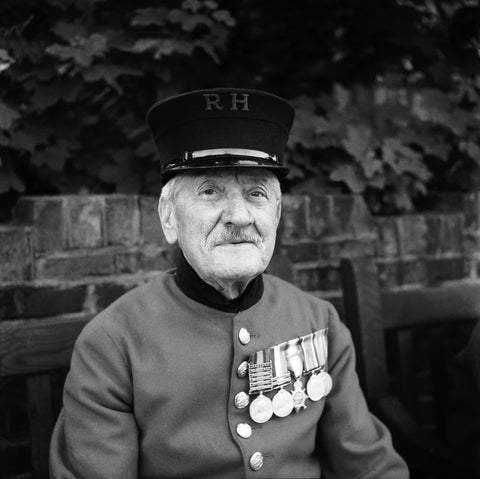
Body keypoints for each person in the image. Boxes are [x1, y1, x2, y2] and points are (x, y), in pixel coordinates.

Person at [49, 88, 409, 478]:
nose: (239, 215)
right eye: (210, 191)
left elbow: (371, 467)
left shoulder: (319, 322)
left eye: (256, 193)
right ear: (169, 217)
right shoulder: (112, 343)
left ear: (277, 213)